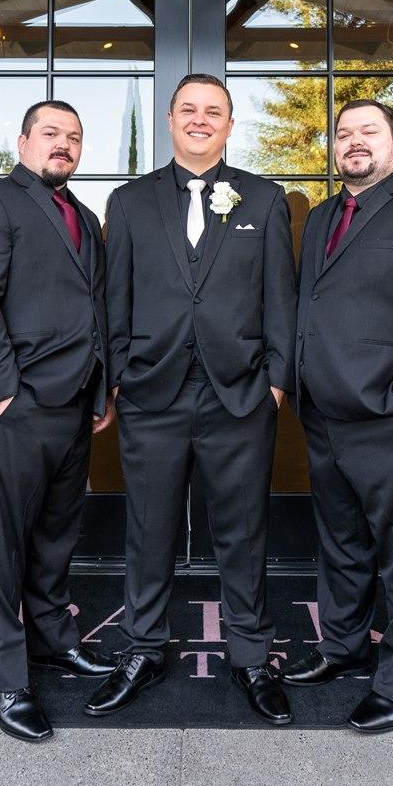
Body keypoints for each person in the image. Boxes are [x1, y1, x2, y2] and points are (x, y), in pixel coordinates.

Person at [87, 74, 297, 725]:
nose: (200, 120)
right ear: (171, 120)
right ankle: (144, 648)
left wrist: (276, 381)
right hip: (152, 392)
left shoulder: (264, 198)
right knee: (147, 529)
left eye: (213, 111)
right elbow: (114, 298)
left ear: (230, 125)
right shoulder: (128, 201)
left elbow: (281, 298)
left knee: (244, 532)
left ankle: (252, 657)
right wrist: (116, 376)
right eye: (189, 110)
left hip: (241, 393)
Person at [283, 99, 393, 734]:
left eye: (369, 131)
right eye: (344, 134)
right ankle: (342, 645)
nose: (354, 142)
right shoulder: (323, 215)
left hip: (389, 412)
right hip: (323, 411)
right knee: (341, 543)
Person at [0, 100, 116, 742]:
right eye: (51, 133)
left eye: (73, 136)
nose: (63, 144)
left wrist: (100, 389)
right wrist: (3, 393)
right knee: (4, 546)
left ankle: (52, 639)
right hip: (19, 403)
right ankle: (6, 680)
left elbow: (96, 308)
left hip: (75, 404)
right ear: (23, 142)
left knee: (55, 535)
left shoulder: (85, 217)